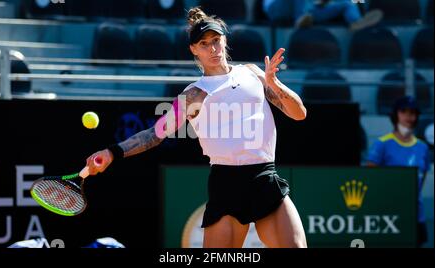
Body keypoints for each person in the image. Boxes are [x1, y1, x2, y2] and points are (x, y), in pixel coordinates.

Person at [83, 7, 308, 248]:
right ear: (193, 49)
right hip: (226, 186)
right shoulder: (193, 95)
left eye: (216, 40)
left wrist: (275, 84)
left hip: (264, 179)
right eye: (204, 43)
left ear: (224, 40)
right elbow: (154, 134)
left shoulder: (253, 73)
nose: (213, 49)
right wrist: (112, 152)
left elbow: (299, 114)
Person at [366, 96, 430, 247]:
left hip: (415, 215)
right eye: (404, 111)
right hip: (388, 216)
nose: (409, 116)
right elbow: (369, 176)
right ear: (396, 114)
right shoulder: (382, 144)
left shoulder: (423, 147)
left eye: (413, 113)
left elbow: (421, 178)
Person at [263, 0, 383, 31]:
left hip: (309, 10)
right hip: (276, 8)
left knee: (347, 3)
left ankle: (356, 22)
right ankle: (301, 18)